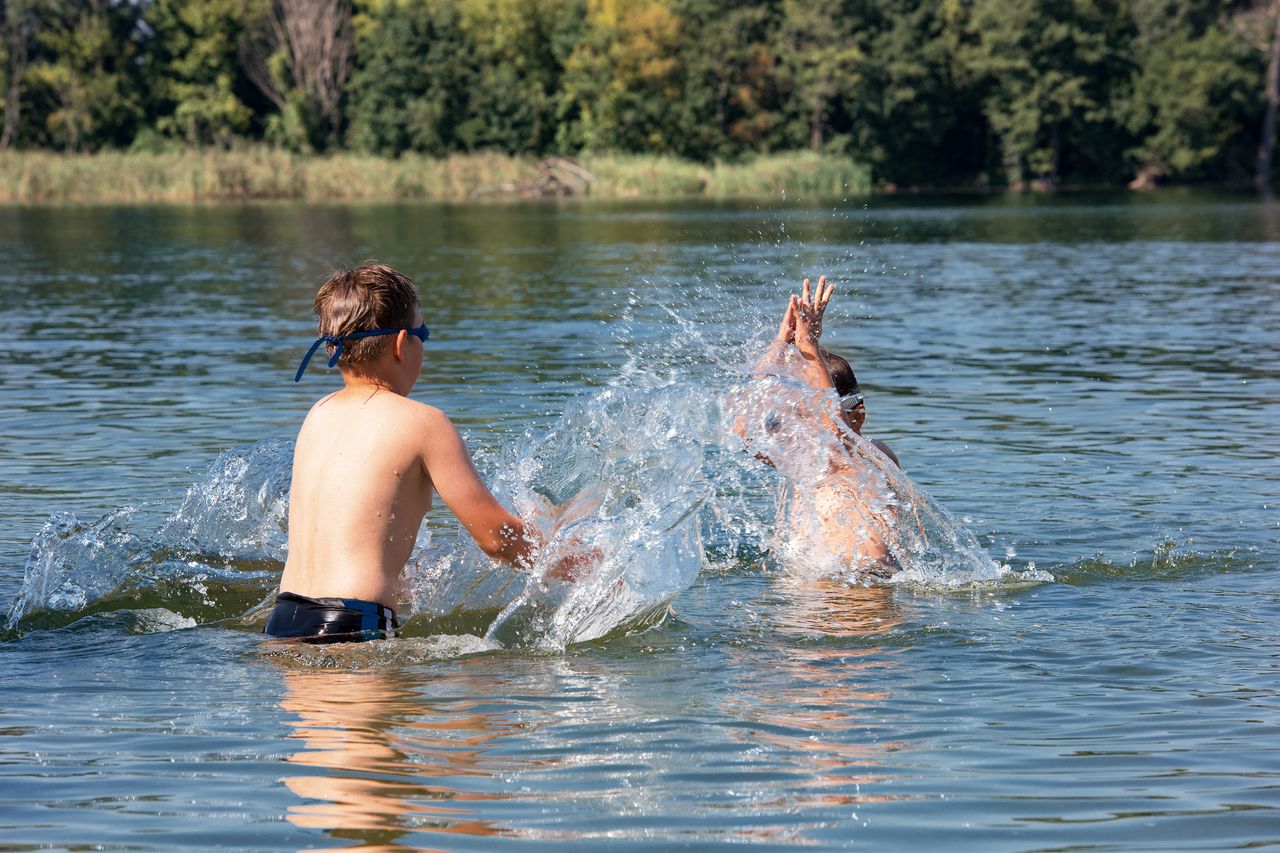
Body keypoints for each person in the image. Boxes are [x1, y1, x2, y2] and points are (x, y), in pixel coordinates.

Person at [266, 263, 561, 644]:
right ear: (403, 343)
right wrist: (573, 562)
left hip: (283, 621)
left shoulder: (318, 413)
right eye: (425, 334)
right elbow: (496, 540)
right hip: (353, 623)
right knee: (508, 690)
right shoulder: (425, 423)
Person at [750, 276, 900, 576]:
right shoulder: (801, 463)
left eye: (811, 416)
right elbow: (750, 427)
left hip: (864, 594)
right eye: (797, 417)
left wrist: (808, 346)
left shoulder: (872, 455)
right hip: (814, 598)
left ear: (857, 417)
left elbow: (837, 443)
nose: (800, 430)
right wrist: (782, 342)